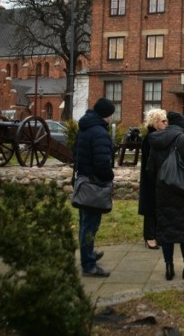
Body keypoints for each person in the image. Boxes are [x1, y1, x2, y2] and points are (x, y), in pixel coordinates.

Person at [147, 111, 184, 281]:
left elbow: (150, 169)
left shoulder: (155, 139)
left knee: (167, 230)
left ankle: (169, 267)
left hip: (163, 192)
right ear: (182, 126)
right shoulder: (183, 139)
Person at [75, 97, 116, 277]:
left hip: (84, 180)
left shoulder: (84, 128)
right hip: (94, 184)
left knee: (85, 223)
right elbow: (102, 163)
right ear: (106, 115)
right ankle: (88, 264)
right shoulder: (99, 132)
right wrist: (109, 176)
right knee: (90, 226)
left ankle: (88, 254)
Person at [138, 108, 167, 250]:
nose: (165, 123)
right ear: (155, 122)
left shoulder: (156, 136)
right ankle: (150, 237)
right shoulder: (151, 138)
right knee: (150, 208)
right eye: (163, 121)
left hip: (157, 178)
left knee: (157, 208)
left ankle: (155, 235)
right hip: (151, 179)